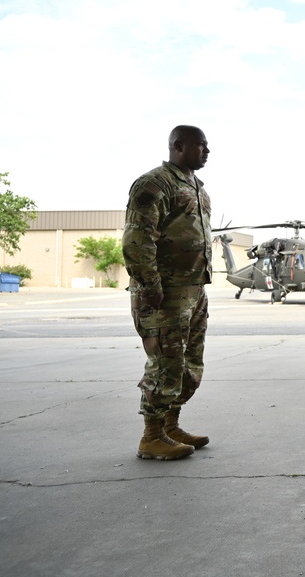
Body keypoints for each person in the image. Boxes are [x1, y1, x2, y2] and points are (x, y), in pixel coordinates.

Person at [123, 125, 213, 461]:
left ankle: (170, 426)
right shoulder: (154, 183)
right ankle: (151, 437)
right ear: (178, 146)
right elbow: (138, 239)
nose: (207, 151)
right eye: (201, 145)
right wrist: (148, 286)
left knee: (189, 364)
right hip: (165, 292)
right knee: (165, 363)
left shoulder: (198, 189)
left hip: (193, 290)